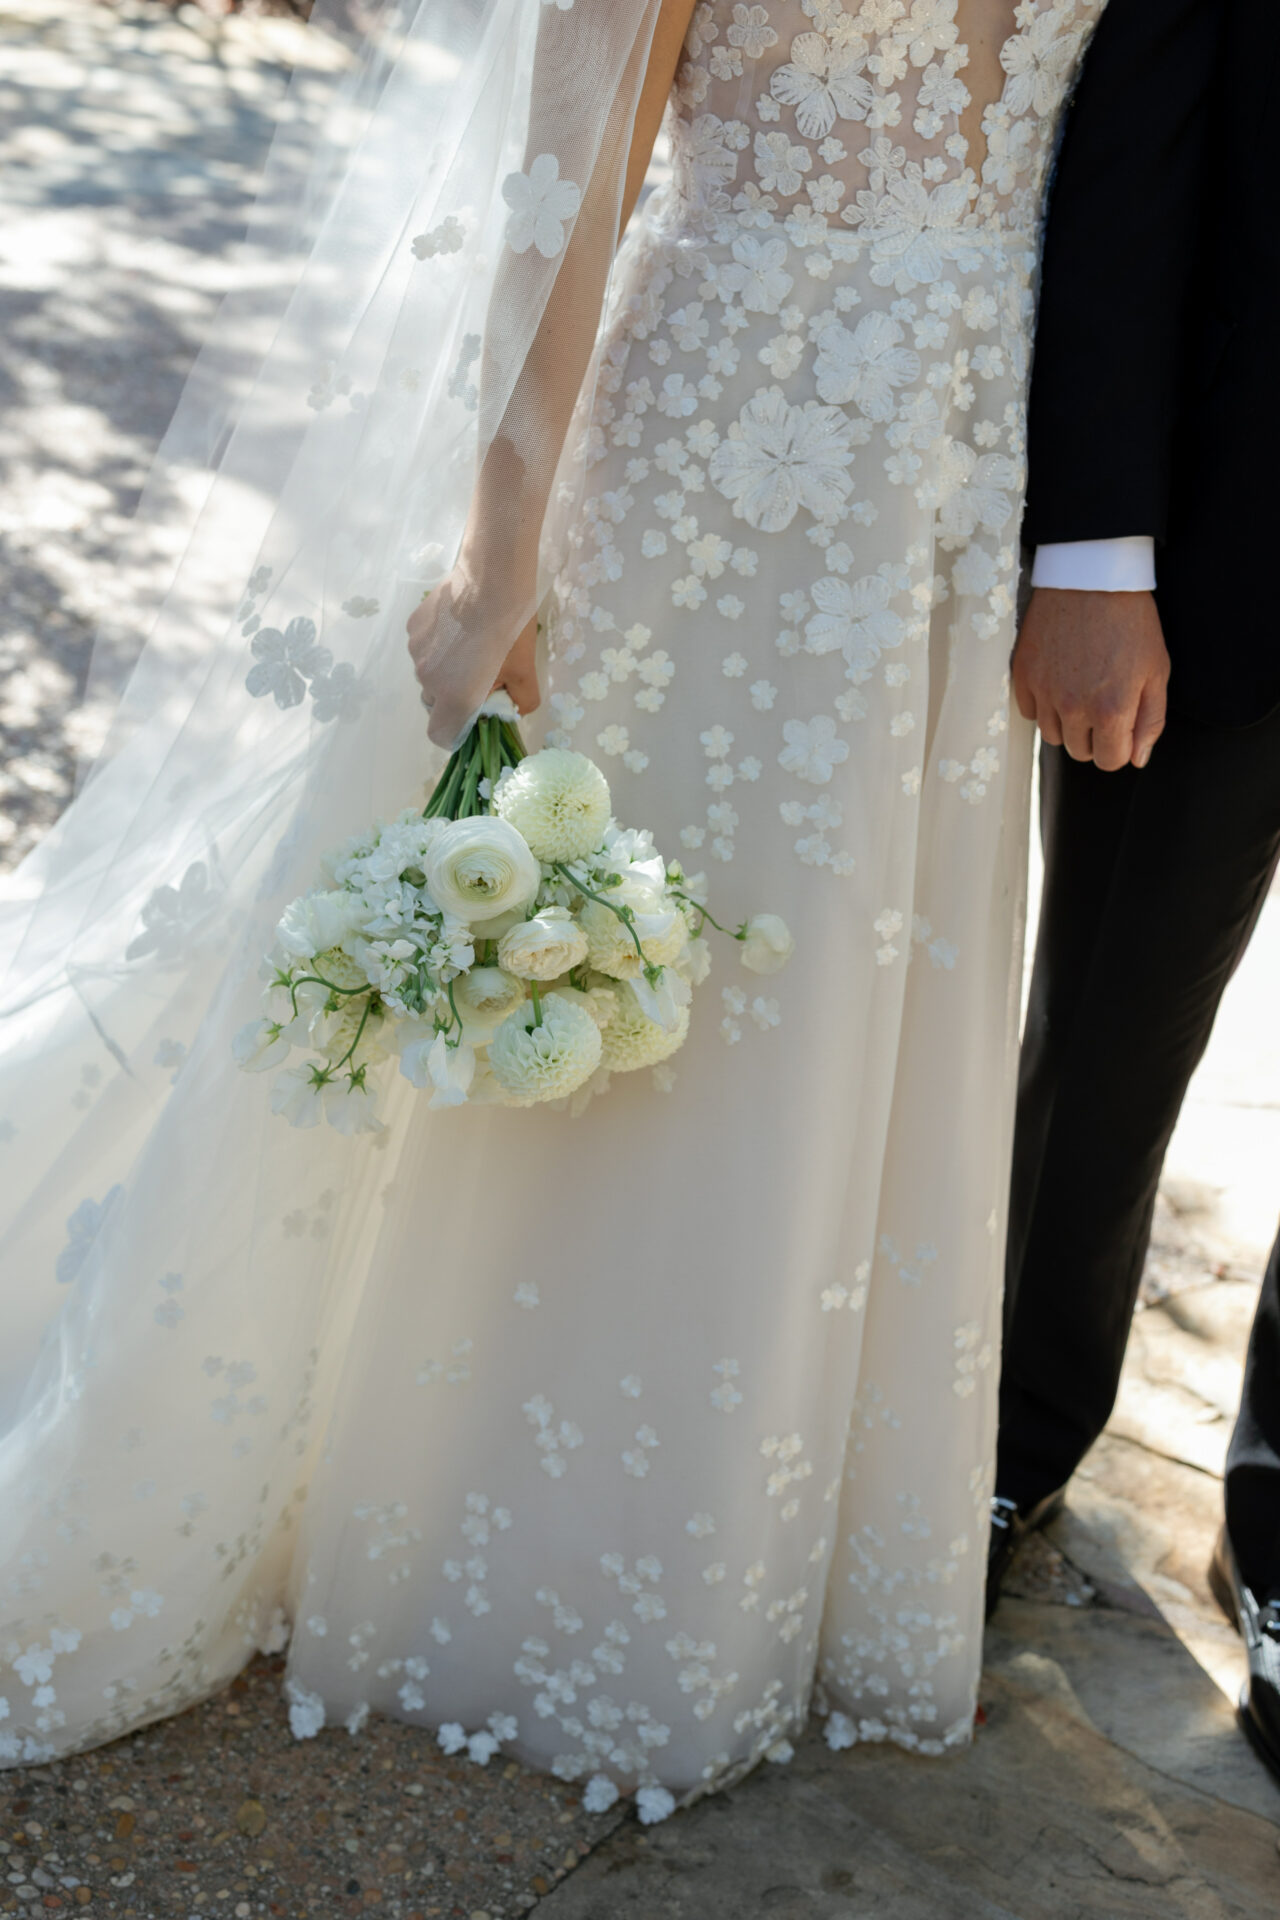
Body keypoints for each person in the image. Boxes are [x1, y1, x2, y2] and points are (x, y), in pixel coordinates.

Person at [0, 0, 1110, 1814]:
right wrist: (502, 545)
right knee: (674, 997)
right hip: (718, 448)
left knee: (848, 999)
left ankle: (780, 1546)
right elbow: (568, 163)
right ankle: (526, 1548)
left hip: (964, 476)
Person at [985, 0, 1280, 1785]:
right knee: (1105, 1039)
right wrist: (1095, 547)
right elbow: (1134, 139)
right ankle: (1004, 1440)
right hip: (1234, 555)